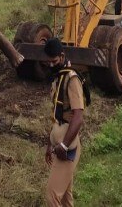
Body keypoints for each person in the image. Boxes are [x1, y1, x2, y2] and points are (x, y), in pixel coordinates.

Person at [43, 38, 85, 207]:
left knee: (52, 196)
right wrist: (49, 143)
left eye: (54, 61)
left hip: (66, 148)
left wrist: (64, 145)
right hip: (58, 143)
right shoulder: (58, 78)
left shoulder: (71, 79)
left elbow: (78, 116)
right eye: (48, 62)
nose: (51, 65)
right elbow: (56, 115)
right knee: (66, 197)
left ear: (61, 56)